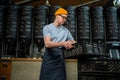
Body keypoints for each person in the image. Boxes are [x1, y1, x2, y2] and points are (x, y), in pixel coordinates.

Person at [39, 7, 76, 80]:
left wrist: (70, 45)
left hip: (59, 57)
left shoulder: (65, 30)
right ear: (57, 16)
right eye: (63, 17)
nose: (64, 20)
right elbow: (47, 44)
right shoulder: (47, 28)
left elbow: (73, 42)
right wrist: (63, 43)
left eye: (66, 18)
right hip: (49, 57)